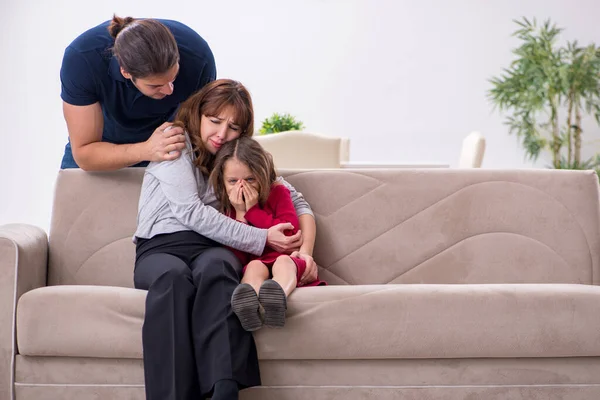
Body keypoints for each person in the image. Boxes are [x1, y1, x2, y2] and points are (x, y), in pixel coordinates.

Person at [133, 79, 319, 400]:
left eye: (233, 127)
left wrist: (305, 254)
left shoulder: (236, 159)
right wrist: (262, 237)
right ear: (199, 115)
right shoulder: (175, 148)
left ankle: (224, 390)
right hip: (161, 247)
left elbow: (296, 201)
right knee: (173, 279)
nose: (221, 134)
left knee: (219, 268)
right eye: (215, 122)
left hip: (211, 248)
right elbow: (191, 212)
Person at [59, 15, 216, 170]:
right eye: (156, 85)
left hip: (167, 141)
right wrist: (145, 150)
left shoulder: (199, 57)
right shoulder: (82, 60)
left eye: (173, 79)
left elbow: (202, 132)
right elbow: (84, 153)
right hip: (101, 142)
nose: (169, 90)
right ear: (125, 72)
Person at [209, 137, 326, 332]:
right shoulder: (226, 208)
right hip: (256, 262)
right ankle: (248, 305)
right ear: (222, 181)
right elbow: (237, 258)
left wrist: (253, 211)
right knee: (254, 266)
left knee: (282, 263)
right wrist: (239, 215)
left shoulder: (279, 193)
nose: (241, 187)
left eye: (249, 179)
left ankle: (278, 295)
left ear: (262, 175)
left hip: (289, 259)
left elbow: (289, 233)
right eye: (232, 181)